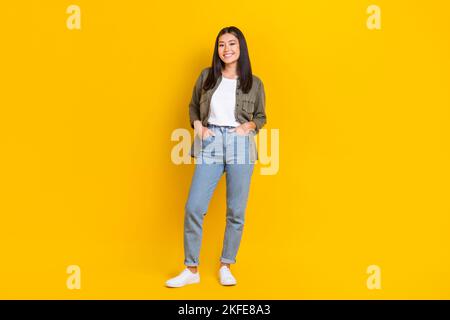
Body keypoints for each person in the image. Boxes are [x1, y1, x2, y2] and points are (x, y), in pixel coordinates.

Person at [166, 26, 267, 287]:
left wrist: (249, 127)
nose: (227, 49)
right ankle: (191, 269)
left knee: (236, 210)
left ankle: (226, 265)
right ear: (217, 49)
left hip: (240, 144)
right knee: (194, 207)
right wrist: (198, 125)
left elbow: (261, 117)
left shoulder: (254, 83)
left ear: (241, 47)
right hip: (210, 142)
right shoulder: (207, 77)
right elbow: (192, 106)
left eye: (232, 44)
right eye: (221, 45)